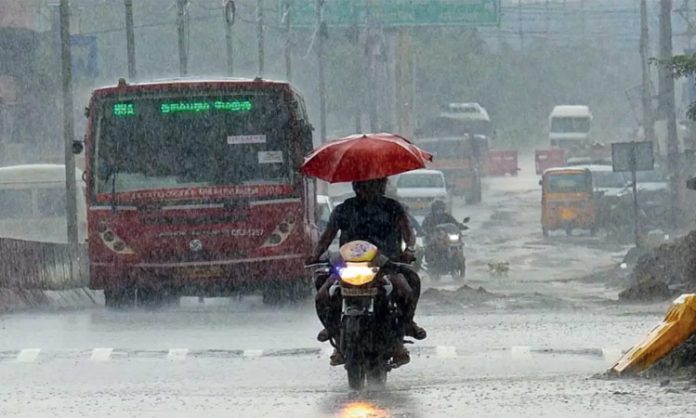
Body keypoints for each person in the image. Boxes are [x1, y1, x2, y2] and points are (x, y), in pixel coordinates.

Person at [307, 177, 427, 367]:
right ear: (355, 186)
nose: (368, 189)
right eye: (363, 185)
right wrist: (315, 255)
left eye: (374, 184)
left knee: (407, 288)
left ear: (382, 186)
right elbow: (326, 237)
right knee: (322, 295)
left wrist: (409, 250)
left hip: (385, 264)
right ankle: (336, 336)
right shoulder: (343, 209)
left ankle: (402, 333)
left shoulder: (393, 208)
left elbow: (408, 233)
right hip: (347, 264)